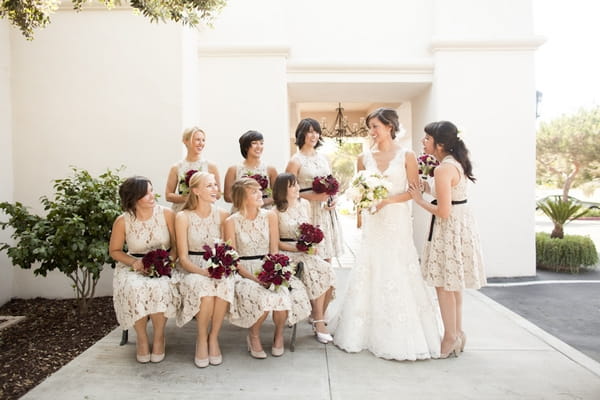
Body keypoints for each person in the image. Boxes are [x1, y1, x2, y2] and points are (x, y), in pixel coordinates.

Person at [332, 108, 442, 361]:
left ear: (390, 127)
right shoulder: (363, 158)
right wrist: (362, 202)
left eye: (375, 126)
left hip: (396, 220)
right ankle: (362, 330)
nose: (372, 131)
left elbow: (414, 192)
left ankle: (398, 330)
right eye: (370, 127)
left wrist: (387, 200)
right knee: (370, 266)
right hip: (374, 222)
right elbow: (357, 189)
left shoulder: (407, 155)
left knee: (396, 267)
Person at [408, 120, 486, 358]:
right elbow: (446, 193)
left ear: (440, 144)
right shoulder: (453, 164)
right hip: (459, 227)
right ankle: (458, 332)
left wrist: (419, 200)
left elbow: (443, 211)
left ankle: (449, 336)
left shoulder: (443, 169)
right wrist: (425, 185)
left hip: (449, 228)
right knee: (454, 286)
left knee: (444, 285)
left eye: (427, 139)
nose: (423, 142)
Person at [224, 178, 311, 358]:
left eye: (259, 190)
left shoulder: (269, 216)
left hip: (268, 266)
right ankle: (253, 335)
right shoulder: (231, 221)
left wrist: (274, 272)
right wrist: (254, 278)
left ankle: (278, 335)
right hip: (245, 272)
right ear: (243, 198)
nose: (260, 194)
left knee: (281, 294)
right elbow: (233, 260)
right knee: (263, 297)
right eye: (254, 192)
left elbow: (273, 250)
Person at [109, 176, 178, 363]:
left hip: (164, 264)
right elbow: (114, 251)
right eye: (146, 193)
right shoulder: (122, 221)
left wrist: (167, 262)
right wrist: (134, 263)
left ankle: (158, 337)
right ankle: (141, 338)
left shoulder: (166, 214)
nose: (151, 195)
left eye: (151, 190)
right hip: (134, 265)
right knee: (134, 288)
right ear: (133, 197)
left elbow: (177, 246)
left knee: (161, 287)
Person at [173, 171, 231, 368]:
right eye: (209, 185)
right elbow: (182, 257)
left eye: (215, 184)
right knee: (206, 292)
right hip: (191, 269)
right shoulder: (183, 217)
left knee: (224, 286)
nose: (215, 189)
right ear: (196, 190)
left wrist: (220, 268)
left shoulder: (223, 215)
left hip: (217, 266)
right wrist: (203, 273)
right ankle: (201, 339)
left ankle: (213, 337)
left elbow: (228, 248)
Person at [272, 173, 336, 344]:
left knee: (326, 271)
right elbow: (276, 242)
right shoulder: (275, 211)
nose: (297, 188)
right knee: (313, 270)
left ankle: (317, 317)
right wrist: (297, 248)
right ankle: (319, 322)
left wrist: (310, 244)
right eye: (293, 185)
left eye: (297, 184)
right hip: (287, 252)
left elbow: (308, 229)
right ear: (283, 189)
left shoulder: (305, 204)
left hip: (304, 250)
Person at [286, 118, 343, 263]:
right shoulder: (295, 161)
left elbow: (332, 183)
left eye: (316, 132)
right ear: (301, 134)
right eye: (310, 132)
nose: (314, 136)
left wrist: (334, 198)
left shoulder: (324, 158)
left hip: (325, 210)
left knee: (326, 252)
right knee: (311, 253)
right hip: (306, 210)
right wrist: (313, 197)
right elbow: (288, 191)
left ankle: (329, 283)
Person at [165, 127, 221, 212]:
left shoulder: (211, 166)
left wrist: (202, 196)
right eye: (197, 140)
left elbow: (218, 194)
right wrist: (188, 198)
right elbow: (168, 195)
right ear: (185, 141)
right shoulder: (176, 167)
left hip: (204, 211)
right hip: (181, 211)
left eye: (203, 140)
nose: (201, 143)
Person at [223, 130, 278, 209]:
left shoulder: (271, 169)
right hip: (241, 212)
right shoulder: (233, 169)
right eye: (254, 143)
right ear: (245, 147)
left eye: (261, 143)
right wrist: (247, 202)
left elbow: (277, 195)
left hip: (265, 211)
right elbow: (227, 196)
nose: (259, 146)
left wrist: (258, 202)